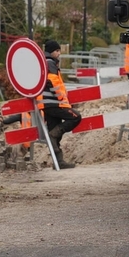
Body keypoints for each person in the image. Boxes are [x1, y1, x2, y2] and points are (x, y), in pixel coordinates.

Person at [42, 40, 82, 169]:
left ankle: (58, 161)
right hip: (54, 102)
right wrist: (61, 99)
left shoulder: (45, 62)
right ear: (52, 51)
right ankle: (53, 135)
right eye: (57, 51)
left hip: (47, 103)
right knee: (76, 117)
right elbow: (53, 82)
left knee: (55, 134)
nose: (59, 53)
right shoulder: (50, 63)